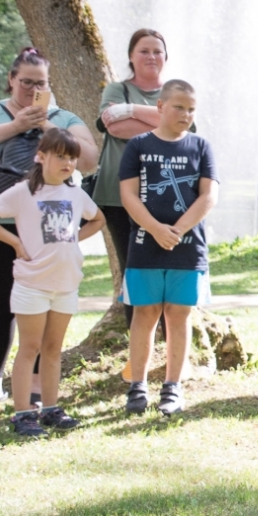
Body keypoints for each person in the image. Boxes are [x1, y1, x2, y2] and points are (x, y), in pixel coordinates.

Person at [0, 48, 97, 405]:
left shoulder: (64, 117)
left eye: (40, 84)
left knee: (45, 304)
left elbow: (90, 160)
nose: (32, 91)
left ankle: (35, 386)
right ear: (11, 80)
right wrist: (16, 126)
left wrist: (48, 126)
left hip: (49, 226)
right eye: (25, 83)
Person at [0, 128, 103, 436]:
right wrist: (16, 244)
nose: (67, 163)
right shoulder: (23, 192)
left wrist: (75, 239)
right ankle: (22, 414)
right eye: (60, 156)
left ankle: (50, 408)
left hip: (66, 283)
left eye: (72, 157)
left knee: (53, 349)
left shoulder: (75, 193)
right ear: (41, 156)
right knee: (30, 347)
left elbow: (98, 219)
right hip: (32, 284)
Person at [120, 79, 218, 416]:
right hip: (145, 247)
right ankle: (137, 386)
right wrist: (155, 229)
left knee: (179, 316)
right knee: (144, 315)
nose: (185, 114)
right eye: (178, 106)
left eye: (191, 109)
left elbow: (208, 195)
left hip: (188, 249)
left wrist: (176, 230)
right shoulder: (138, 146)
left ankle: (172, 387)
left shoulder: (201, 147)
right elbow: (128, 195)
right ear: (160, 106)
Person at [95, 29, 168, 325]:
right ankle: (135, 343)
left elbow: (186, 129)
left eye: (157, 51)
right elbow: (113, 127)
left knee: (164, 266)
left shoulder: (174, 90)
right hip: (117, 195)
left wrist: (130, 112)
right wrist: (165, 125)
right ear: (130, 56)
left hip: (164, 196)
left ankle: (165, 337)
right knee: (132, 269)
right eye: (144, 51)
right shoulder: (115, 90)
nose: (151, 56)